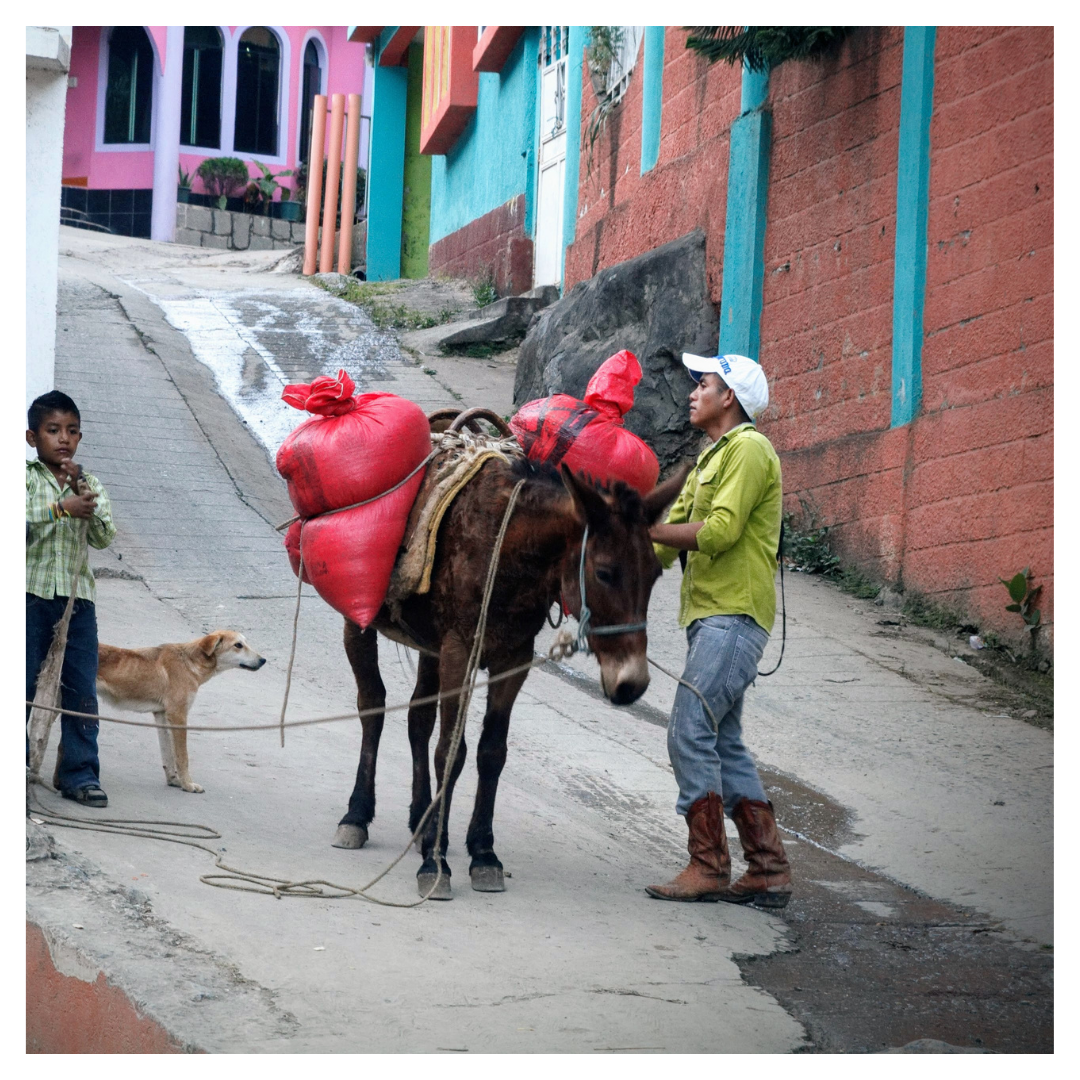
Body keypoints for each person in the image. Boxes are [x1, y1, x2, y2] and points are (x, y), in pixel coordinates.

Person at [646, 354, 791, 908]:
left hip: (734, 616)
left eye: (702, 384)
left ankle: (708, 865)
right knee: (723, 742)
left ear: (728, 397)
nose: (692, 393)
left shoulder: (751, 450)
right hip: (711, 616)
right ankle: (768, 868)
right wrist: (614, 557)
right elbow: (663, 539)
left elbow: (722, 530)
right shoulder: (712, 457)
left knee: (689, 726)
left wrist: (652, 532)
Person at [26, 391, 117, 807]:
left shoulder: (90, 483)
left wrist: (82, 494)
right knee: (21, 683)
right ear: (32, 437)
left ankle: (79, 773)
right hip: (29, 597)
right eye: (52, 430)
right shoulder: (23, 478)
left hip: (78, 603)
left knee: (81, 689)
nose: (63, 439)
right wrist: (62, 509)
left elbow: (102, 537)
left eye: (72, 431)